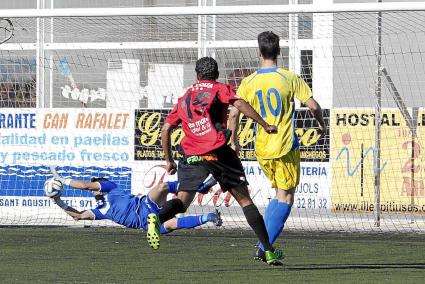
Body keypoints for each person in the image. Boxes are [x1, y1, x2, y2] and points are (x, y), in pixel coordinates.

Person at [160, 56, 282, 265]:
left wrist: (169, 160)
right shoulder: (219, 88)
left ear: (197, 75)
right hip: (216, 151)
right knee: (245, 200)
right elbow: (239, 104)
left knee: (181, 203)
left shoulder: (185, 97)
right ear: (216, 74)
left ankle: (157, 218)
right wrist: (264, 124)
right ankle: (268, 251)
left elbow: (166, 129)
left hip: (190, 155)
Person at [229, 31, 326, 262]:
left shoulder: (248, 82)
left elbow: (234, 113)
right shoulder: (289, 78)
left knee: (277, 194)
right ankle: (265, 247)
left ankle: (264, 241)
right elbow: (312, 106)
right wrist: (321, 124)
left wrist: (234, 142)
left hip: (261, 147)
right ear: (279, 52)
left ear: (259, 52)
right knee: (286, 198)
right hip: (284, 146)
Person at [47, 175, 221, 250]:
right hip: (147, 224)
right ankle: (209, 217)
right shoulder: (101, 211)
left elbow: (84, 186)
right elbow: (78, 216)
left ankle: (200, 186)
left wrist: (64, 180)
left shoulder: (110, 188)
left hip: (146, 206)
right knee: (174, 223)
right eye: (93, 186)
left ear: (100, 184)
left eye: (95, 185)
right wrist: (58, 201)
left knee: (162, 186)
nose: (92, 188)